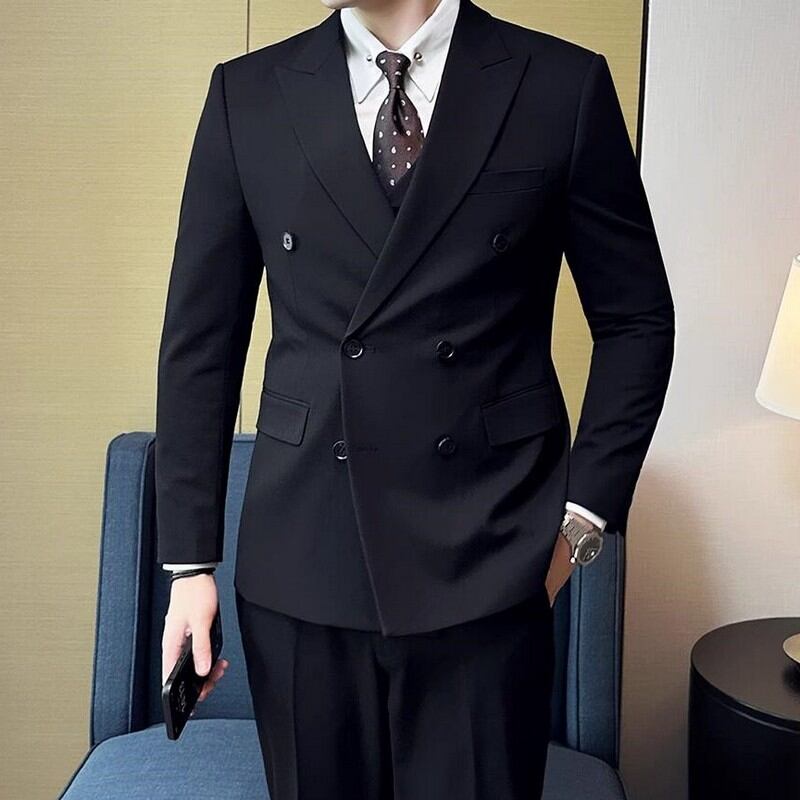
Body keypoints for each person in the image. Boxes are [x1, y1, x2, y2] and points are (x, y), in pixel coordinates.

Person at [156, 0, 675, 797]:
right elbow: (201, 342)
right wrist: (190, 566)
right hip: (304, 559)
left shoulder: (559, 84)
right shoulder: (248, 92)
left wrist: (581, 523)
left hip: (489, 557)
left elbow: (637, 319)